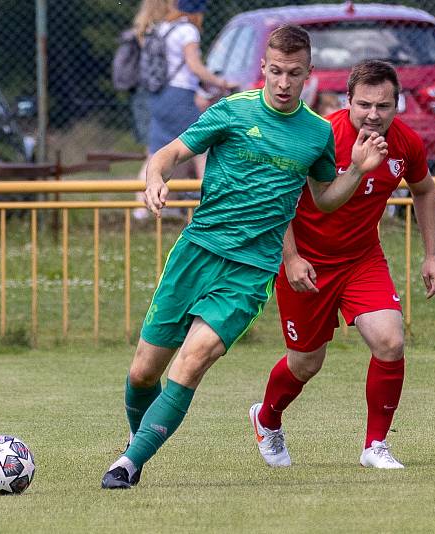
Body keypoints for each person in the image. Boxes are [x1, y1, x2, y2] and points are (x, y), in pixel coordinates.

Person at [101, 24, 390, 489]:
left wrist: (356, 168)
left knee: (193, 361)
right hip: (196, 253)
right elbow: (168, 154)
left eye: (294, 74)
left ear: (308, 75)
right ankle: (138, 447)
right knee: (142, 373)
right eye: (276, 71)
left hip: (251, 270)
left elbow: (325, 198)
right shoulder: (232, 111)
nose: (283, 82)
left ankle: (127, 466)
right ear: (263, 68)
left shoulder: (317, 134)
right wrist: (155, 179)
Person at [249, 60, 435, 469]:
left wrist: (431, 255)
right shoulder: (320, 136)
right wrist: (291, 258)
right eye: (364, 105)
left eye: (384, 105)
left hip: (361, 258)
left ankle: (375, 445)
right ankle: (266, 418)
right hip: (308, 262)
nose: (373, 114)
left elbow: (425, 190)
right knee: (306, 362)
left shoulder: (405, 144)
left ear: (398, 105)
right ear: (348, 101)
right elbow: (279, 197)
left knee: (390, 342)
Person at [134, 0, 234, 220]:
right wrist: (220, 82)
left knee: (156, 151)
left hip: (159, 96)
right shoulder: (188, 30)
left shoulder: (163, 27)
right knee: (202, 147)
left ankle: (140, 211)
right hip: (180, 96)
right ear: (197, 12)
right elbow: (194, 66)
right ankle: (210, 205)